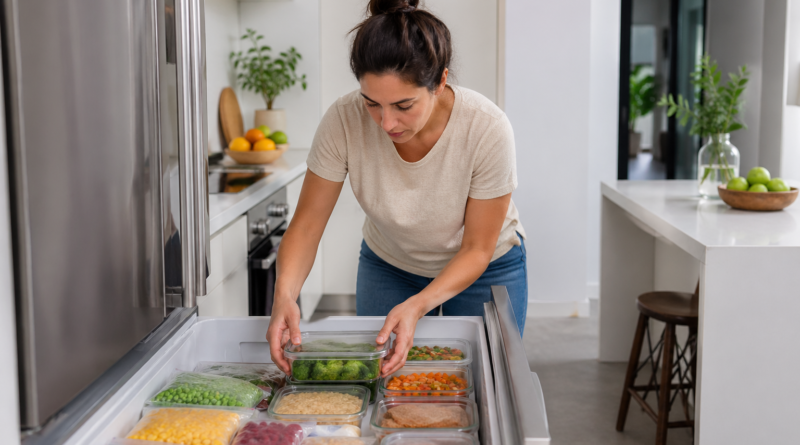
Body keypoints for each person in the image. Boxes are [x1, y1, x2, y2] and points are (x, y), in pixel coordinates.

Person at [267, 0, 527, 378]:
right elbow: (306, 226)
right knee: (382, 378)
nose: (387, 123)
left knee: (483, 379)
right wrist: (284, 295)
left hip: (485, 268)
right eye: (372, 103)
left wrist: (419, 304)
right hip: (390, 265)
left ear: (440, 82)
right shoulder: (343, 120)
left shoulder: (486, 128)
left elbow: (477, 248)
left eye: (404, 105)